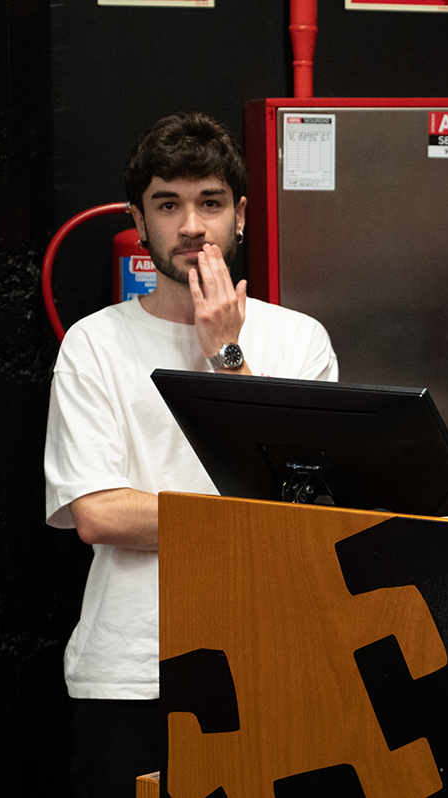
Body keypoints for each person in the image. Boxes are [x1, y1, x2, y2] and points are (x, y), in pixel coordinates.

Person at [44, 112, 338, 798]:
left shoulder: (300, 341)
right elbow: (98, 515)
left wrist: (226, 355)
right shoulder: (94, 344)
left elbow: (304, 510)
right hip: (130, 670)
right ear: (139, 222)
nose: (191, 225)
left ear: (241, 215)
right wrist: (249, 514)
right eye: (168, 205)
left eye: (209, 203)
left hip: (269, 660)